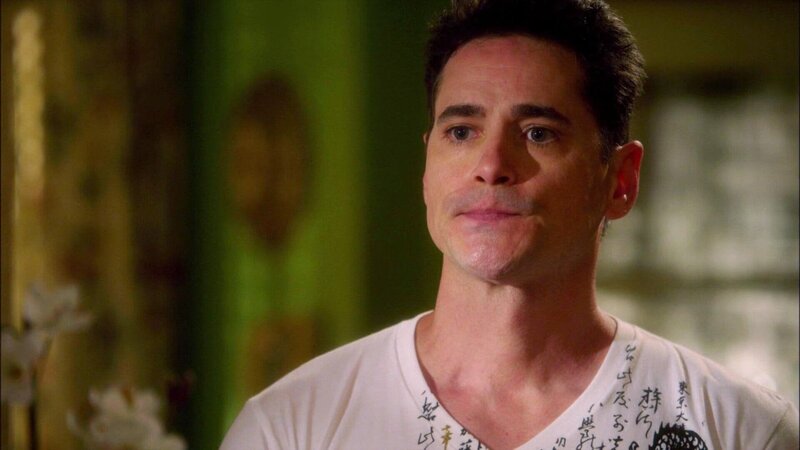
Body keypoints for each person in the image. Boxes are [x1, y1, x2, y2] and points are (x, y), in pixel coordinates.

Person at [220, 0, 799, 448]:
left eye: (538, 133)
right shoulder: (291, 427)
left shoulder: (739, 429)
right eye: (461, 132)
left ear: (620, 180)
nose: (491, 165)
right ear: (427, 168)